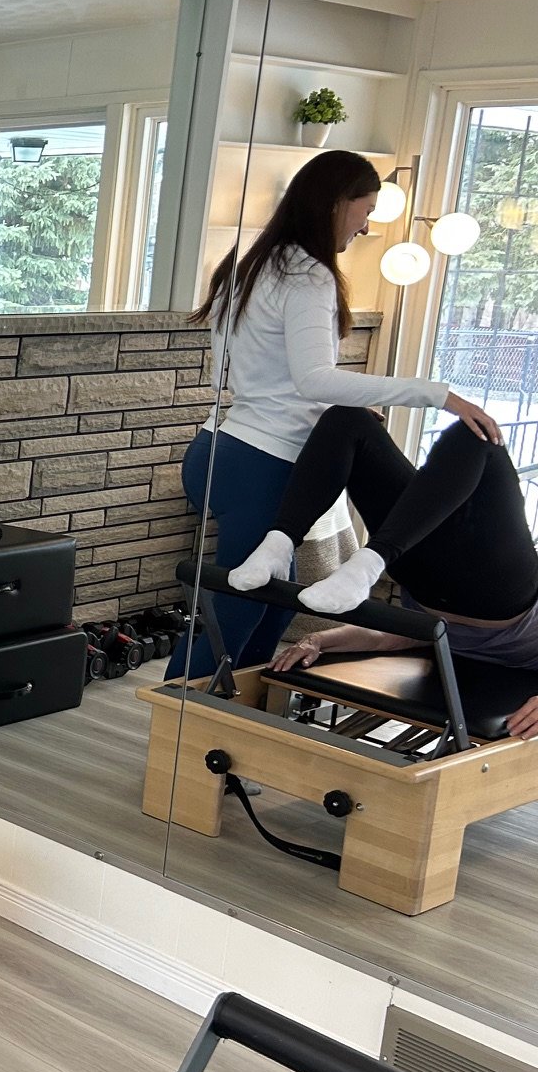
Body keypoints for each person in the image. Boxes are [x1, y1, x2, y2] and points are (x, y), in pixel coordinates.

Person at [165, 150, 497, 677]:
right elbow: (314, 378)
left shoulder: (249, 263)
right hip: (264, 463)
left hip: (221, 447)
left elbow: (244, 375)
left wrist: (347, 407)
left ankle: (234, 719)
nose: (366, 226)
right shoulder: (308, 275)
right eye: (364, 211)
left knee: (274, 611)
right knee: (234, 614)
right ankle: (177, 732)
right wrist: (438, 395)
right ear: (337, 204)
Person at [230, 407, 538, 735]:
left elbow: (386, 640)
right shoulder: (431, 626)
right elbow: (389, 639)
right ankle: (281, 543)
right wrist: (317, 640)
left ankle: (371, 559)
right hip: (427, 578)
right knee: (349, 419)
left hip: (499, 596)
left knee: (477, 439)